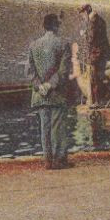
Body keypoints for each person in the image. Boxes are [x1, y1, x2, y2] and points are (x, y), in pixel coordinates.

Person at [25, 13, 78, 169]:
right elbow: (63, 72)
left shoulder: (33, 45)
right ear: (56, 26)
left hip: (40, 94)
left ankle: (47, 160)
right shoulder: (63, 44)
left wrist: (39, 86)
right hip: (57, 93)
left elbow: (29, 71)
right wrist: (49, 85)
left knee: (45, 127)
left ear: (44, 26)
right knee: (58, 127)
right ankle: (59, 160)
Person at [80, 4, 110, 107]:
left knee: (94, 79)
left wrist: (84, 34)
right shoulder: (101, 20)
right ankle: (98, 101)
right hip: (102, 54)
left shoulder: (92, 21)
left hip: (94, 54)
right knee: (99, 77)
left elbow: (91, 39)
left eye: (82, 14)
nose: (82, 17)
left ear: (86, 12)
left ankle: (95, 102)